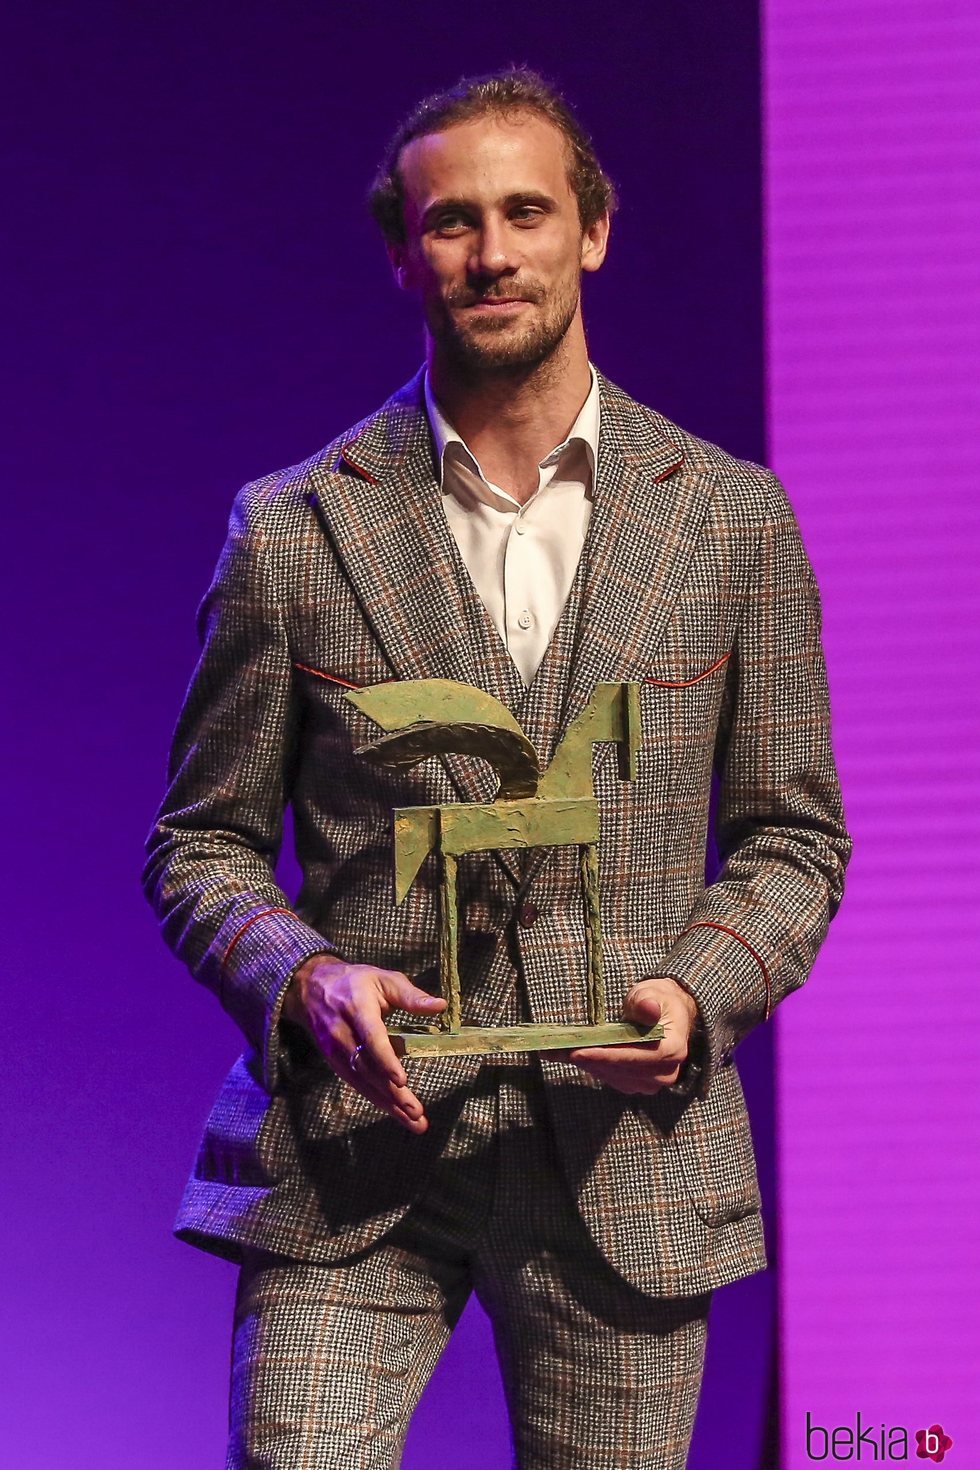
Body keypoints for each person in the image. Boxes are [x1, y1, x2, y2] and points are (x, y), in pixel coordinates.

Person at [143, 67, 851, 1470]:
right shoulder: (294, 530)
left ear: (591, 230)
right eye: (451, 220)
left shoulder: (727, 519)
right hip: (358, 1146)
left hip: (623, 1150)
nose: (492, 251)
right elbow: (198, 843)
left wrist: (699, 987)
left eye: (526, 211)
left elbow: (793, 838)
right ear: (403, 251)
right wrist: (302, 973)